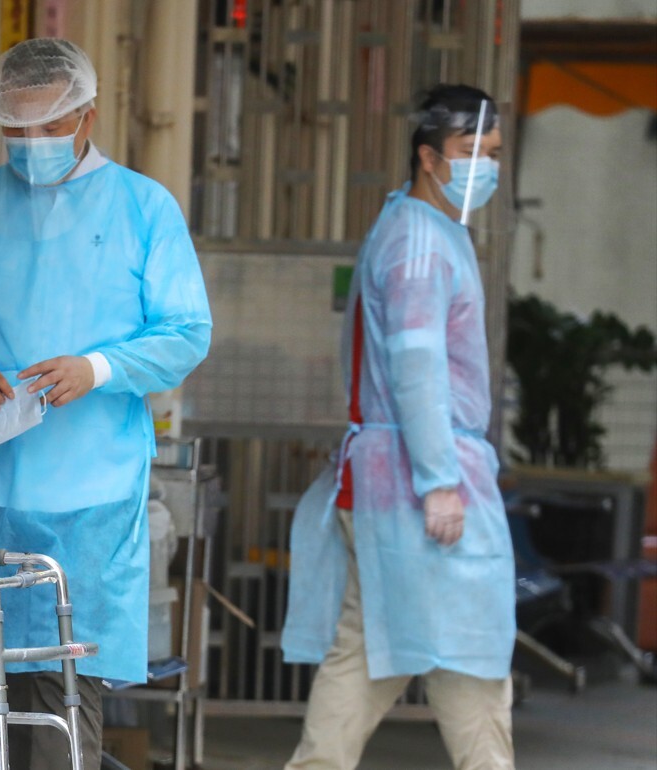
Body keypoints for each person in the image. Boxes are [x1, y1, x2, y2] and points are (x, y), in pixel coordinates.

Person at [0, 38, 212, 769]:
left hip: (87, 495)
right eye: (16, 128)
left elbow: (186, 333)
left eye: (48, 127)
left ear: (87, 116)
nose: (31, 144)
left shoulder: (142, 208)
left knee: (67, 686)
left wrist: (96, 367)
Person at [280, 84, 515, 769]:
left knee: (367, 653)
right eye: (471, 152)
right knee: (467, 658)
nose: (485, 168)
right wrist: (441, 482)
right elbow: (417, 370)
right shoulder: (421, 242)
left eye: (493, 153)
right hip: (418, 485)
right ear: (429, 157)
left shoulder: (418, 228)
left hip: (386, 482)